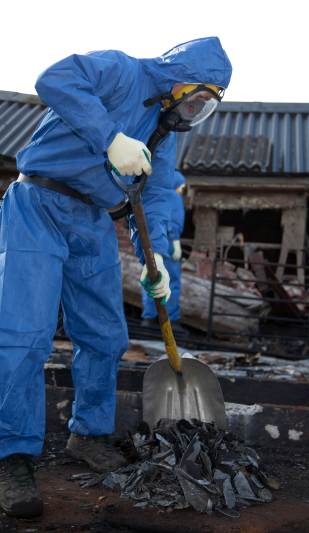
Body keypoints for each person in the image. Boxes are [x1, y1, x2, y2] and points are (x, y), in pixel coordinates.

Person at [0, 37, 232, 518]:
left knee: (105, 334)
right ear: (176, 84)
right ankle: (12, 456)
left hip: (92, 220)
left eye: (205, 106)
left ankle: (88, 434)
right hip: (38, 203)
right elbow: (54, 79)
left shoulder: (162, 133)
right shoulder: (121, 71)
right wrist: (109, 137)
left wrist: (159, 265)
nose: (193, 113)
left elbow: (158, 192)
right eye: (195, 100)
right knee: (24, 335)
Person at [141, 170, 186, 327]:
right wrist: (175, 240)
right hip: (168, 244)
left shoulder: (154, 195)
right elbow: (174, 220)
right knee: (172, 281)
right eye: (182, 186)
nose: (182, 189)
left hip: (153, 243)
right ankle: (171, 318)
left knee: (152, 277)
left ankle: (149, 317)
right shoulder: (174, 197)